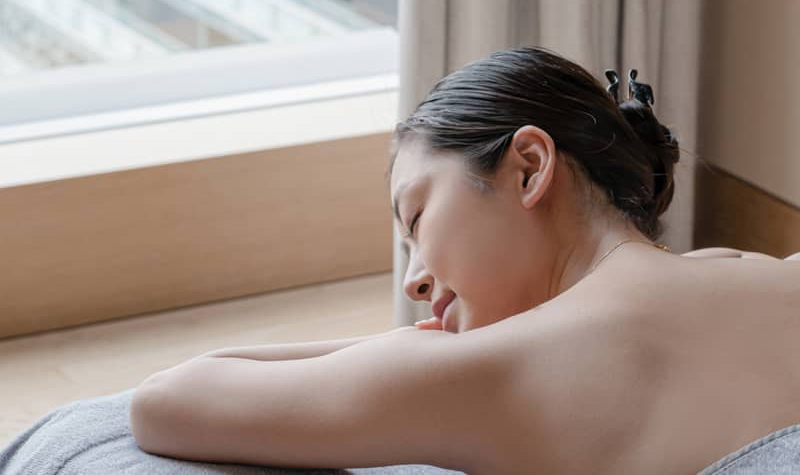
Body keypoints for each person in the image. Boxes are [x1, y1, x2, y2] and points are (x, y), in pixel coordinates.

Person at [129, 47, 800, 475]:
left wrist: (404, 347)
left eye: (416, 219)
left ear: (529, 168)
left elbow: (162, 401)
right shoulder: (748, 267)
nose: (416, 279)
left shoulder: (495, 371)